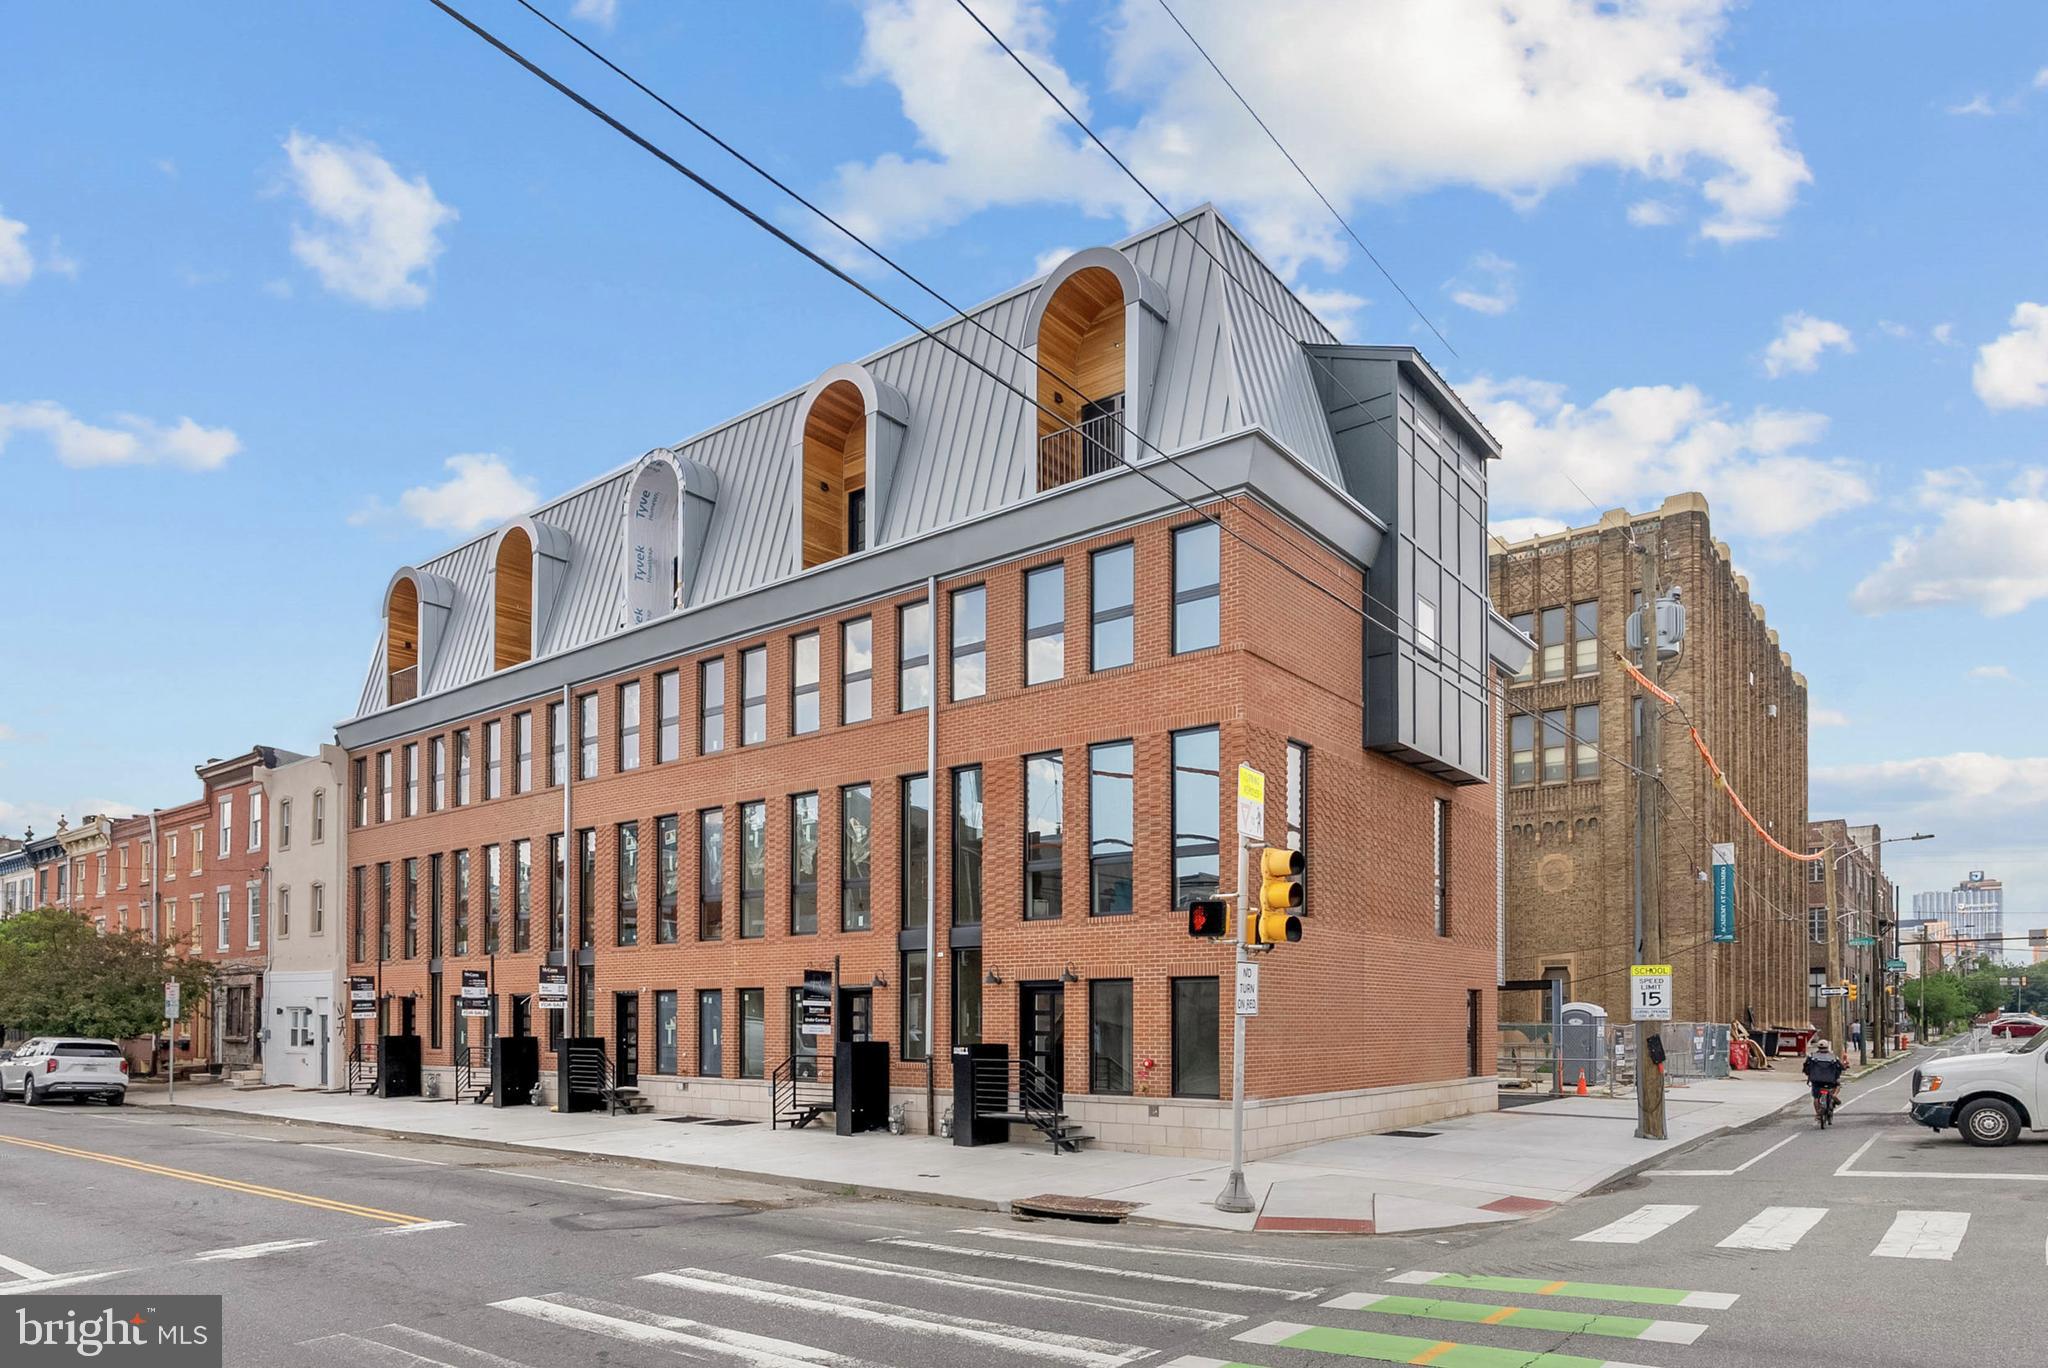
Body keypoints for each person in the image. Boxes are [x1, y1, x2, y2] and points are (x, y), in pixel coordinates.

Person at [1803, 1039, 1845, 1119]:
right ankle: (1834, 1095)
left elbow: (1806, 1067)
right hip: (1830, 1081)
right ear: (1827, 1047)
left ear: (1818, 1047)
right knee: (1838, 1085)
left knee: (1816, 1097)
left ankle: (1818, 1114)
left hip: (1816, 1080)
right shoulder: (1833, 1057)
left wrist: (1808, 1074)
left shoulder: (1812, 1056)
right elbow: (1840, 1067)